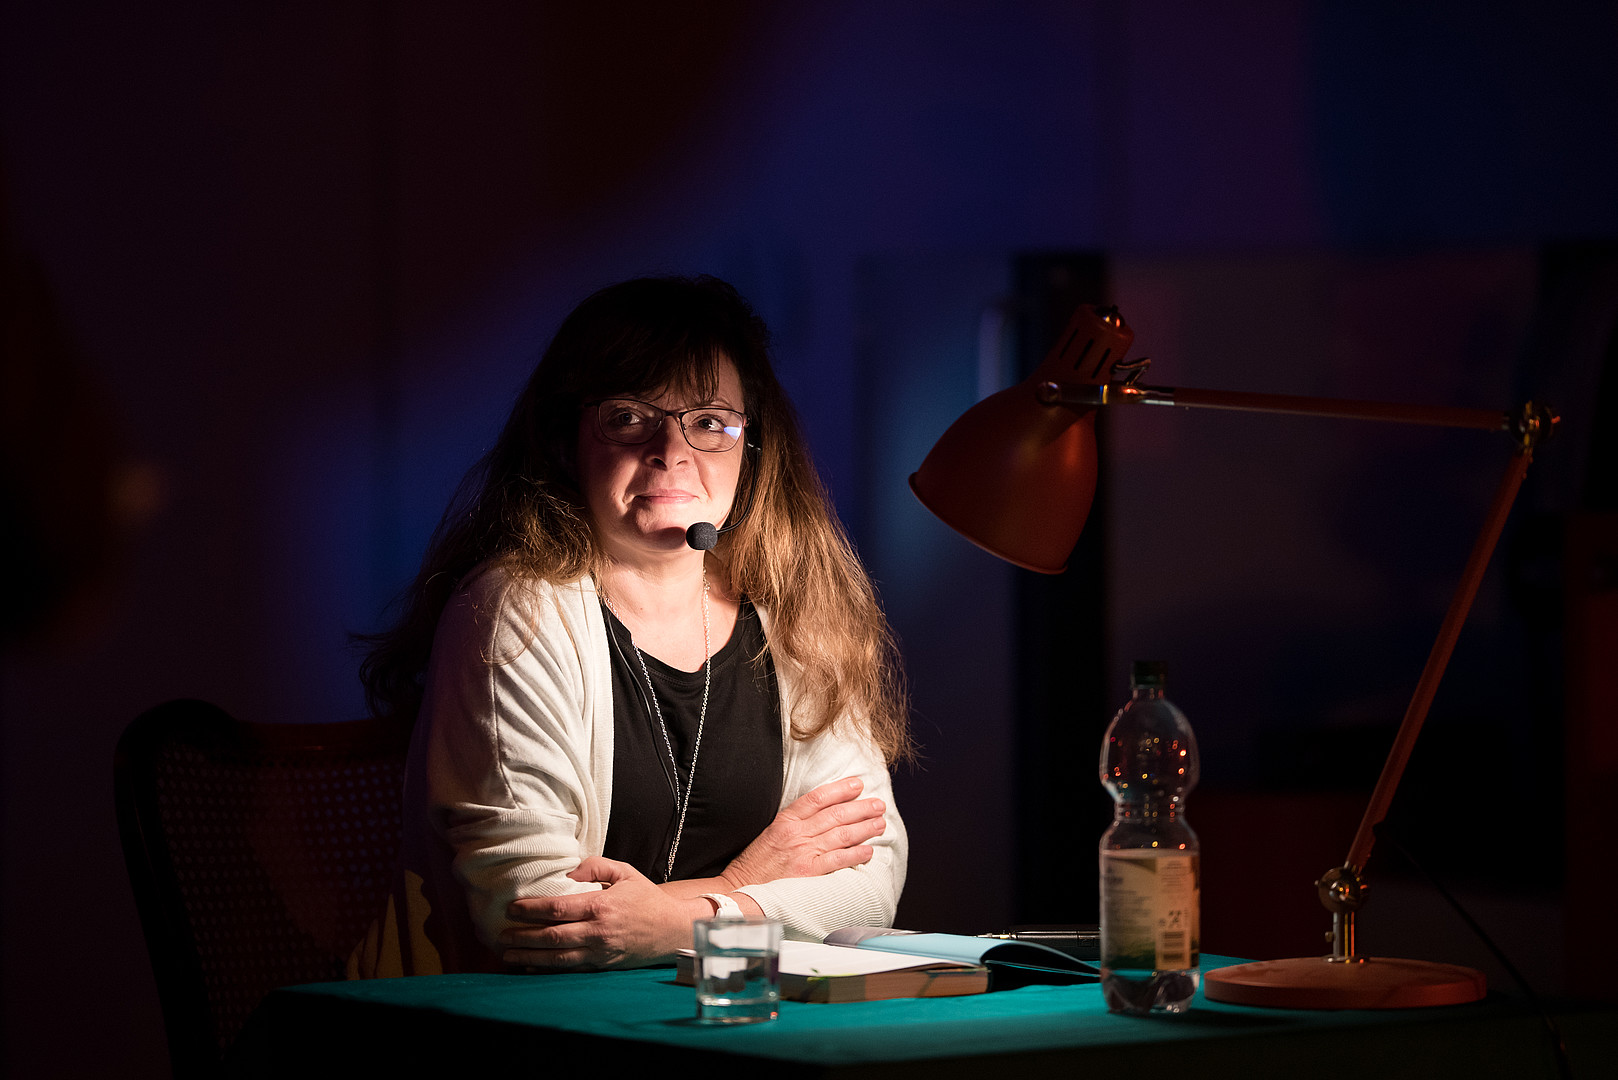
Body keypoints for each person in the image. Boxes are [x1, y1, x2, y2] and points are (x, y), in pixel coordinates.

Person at [351, 275, 911, 976]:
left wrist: (676, 919)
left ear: (752, 448)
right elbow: (538, 915)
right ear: (564, 441)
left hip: (737, 1019)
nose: (671, 451)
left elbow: (867, 888)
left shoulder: (794, 618)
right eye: (628, 417)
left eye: (710, 422)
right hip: (522, 1028)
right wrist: (740, 886)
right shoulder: (515, 611)